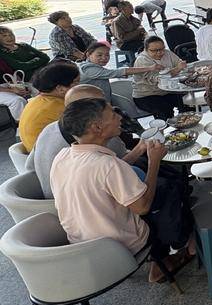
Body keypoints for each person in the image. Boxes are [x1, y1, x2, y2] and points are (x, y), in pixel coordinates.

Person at [51, 98, 193, 281]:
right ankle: (178, 250)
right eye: (112, 115)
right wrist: (154, 161)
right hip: (119, 246)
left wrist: (139, 149)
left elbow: (105, 177)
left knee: (149, 176)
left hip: (83, 246)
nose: (119, 117)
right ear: (97, 127)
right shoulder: (107, 165)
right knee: (170, 190)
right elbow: (143, 207)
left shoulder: (62, 157)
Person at [28, 84, 147, 197]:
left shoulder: (49, 128)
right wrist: (141, 148)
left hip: (51, 196)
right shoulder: (99, 136)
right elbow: (117, 169)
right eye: (99, 104)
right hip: (82, 200)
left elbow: (29, 166)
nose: (106, 105)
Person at [19, 61, 80, 152]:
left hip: (33, 153)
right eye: (76, 83)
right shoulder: (61, 107)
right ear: (60, 89)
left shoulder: (37, 100)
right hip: (50, 155)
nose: (79, 86)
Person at [78, 42, 160, 102]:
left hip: (102, 99)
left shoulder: (90, 66)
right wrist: (150, 68)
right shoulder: (87, 68)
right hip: (93, 104)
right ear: (88, 55)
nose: (104, 58)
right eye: (99, 55)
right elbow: (117, 72)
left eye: (107, 55)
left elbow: (114, 73)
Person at [132, 36, 189, 120]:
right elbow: (159, 79)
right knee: (165, 110)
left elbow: (179, 63)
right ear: (146, 50)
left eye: (162, 49)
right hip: (147, 95)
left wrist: (182, 65)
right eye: (154, 50)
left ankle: (188, 121)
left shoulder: (167, 53)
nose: (159, 53)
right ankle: (170, 127)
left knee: (188, 101)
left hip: (168, 91)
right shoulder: (142, 60)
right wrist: (177, 69)